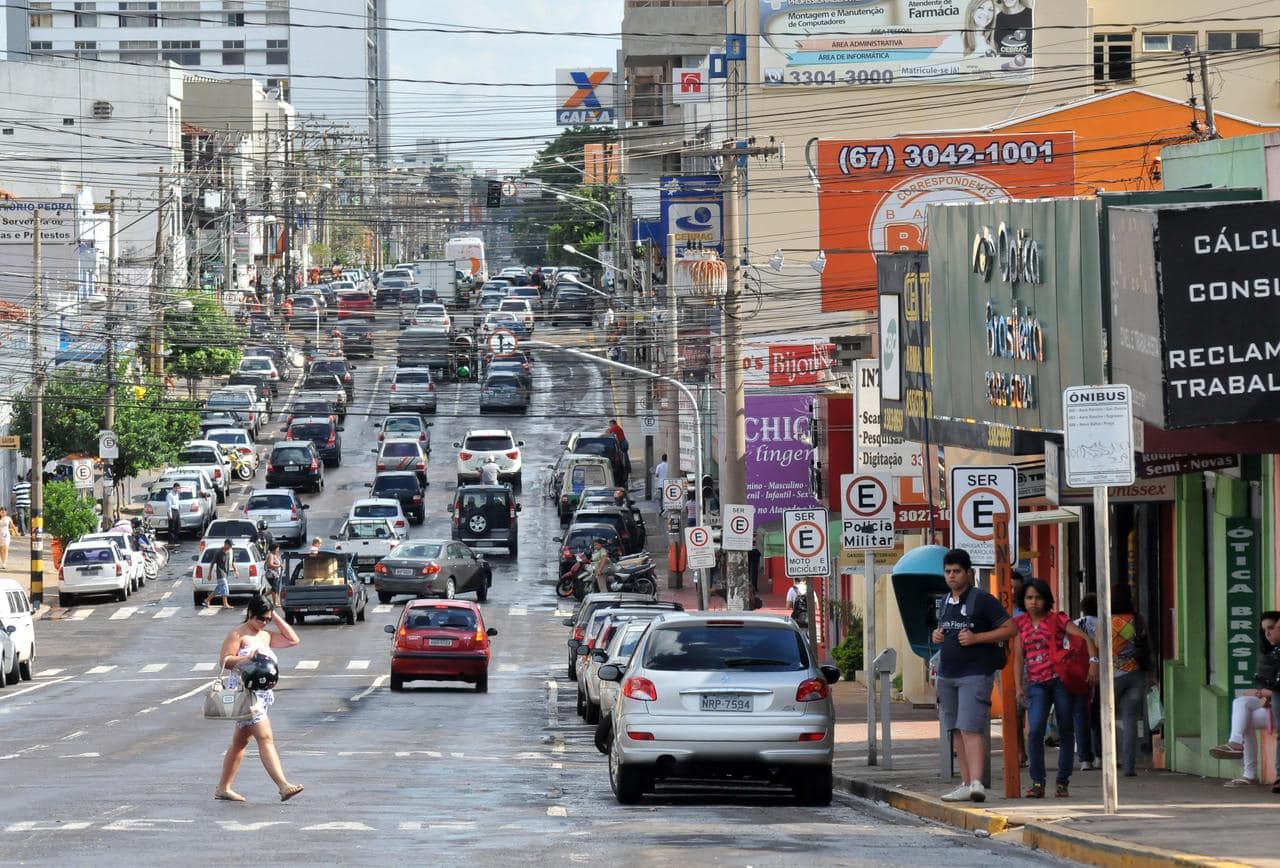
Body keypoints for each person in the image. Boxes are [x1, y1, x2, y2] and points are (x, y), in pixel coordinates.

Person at [931, 548, 1016, 803]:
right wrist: (937, 636)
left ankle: (977, 782)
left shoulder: (982, 600)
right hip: (947, 673)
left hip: (975, 673)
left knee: (971, 727)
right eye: (948, 572)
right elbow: (944, 629)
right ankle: (966, 783)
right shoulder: (946, 601)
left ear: (968, 573)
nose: (952, 576)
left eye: (957, 571)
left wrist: (978, 637)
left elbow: (1010, 628)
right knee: (956, 728)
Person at [1011, 579, 1099, 798]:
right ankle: (1038, 782)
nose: (1033, 602)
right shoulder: (1020, 623)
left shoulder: (1057, 619)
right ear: (1023, 600)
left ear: (1046, 599)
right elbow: (1018, 658)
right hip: (1036, 683)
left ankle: (1062, 781)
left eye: (1038, 598)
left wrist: (1093, 663)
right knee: (1035, 730)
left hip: (1061, 680)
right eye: (1029, 598)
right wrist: (1018, 687)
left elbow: (1084, 637)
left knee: (1066, 729)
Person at [214, 594, 303, 802]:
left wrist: (276, 615)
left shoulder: (265, 635)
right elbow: (225, 660)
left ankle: (223, 788)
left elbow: (293, 639)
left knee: (239, 743)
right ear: (250, 614)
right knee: (265, 737)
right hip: (246, 694)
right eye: (260, 619)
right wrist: (247, 658)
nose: (264, 623)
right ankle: (283, 785)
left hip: (262, 695)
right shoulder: (238, 634)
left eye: (267, 619)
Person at [1209, 611, 1280, 789]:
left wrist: (1260, 692)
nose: (1268, 634)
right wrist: (1261, 692)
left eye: (1272, 628)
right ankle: (1235, 743)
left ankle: (1247, 770)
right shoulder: (1270, 652)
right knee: (1240, 703)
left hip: (1276, 704)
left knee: (1244, 716)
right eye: (1264, 630)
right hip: (1271, 703)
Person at [1110, 582, 1152, 777]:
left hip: (1111, 675)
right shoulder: (1136, 619)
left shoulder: (1106, 619)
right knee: (1130, 721)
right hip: (1135, 673)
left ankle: (1107, 759)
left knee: (1106, 718)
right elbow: (1147, 644)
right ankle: (1129, 766)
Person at [1073, 593, 1102, 771]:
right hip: (1101, 674)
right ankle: (1100, 755)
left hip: (1079, 674)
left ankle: (1085, 759)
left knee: (1080, 715)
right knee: (1100, 715)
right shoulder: (1104, 624)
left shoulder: (1075, 624)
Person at [206, 540, 238, 609]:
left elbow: (232, 562)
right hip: (220, 573)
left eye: (231, 545)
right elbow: (212, 563)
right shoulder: (219, 553)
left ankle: (207, 600)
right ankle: (225, 604)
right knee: (224, 587)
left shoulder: (230, 552)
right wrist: (209, 574)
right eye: (229, 545)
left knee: (218, 589)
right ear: (225, 544)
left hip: (226, 573)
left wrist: (236, 570)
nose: (230, 547)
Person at [266, 543, 286, 609]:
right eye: (277, 548)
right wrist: (279, 566)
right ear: (274, 549)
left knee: (274, 588)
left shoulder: (274, 555)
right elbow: (270, 565)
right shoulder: (271, 555)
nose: (278, 550)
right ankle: (275, 603)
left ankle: (262, 597)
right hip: (271, 575)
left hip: (276, 574)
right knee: (275, 588)